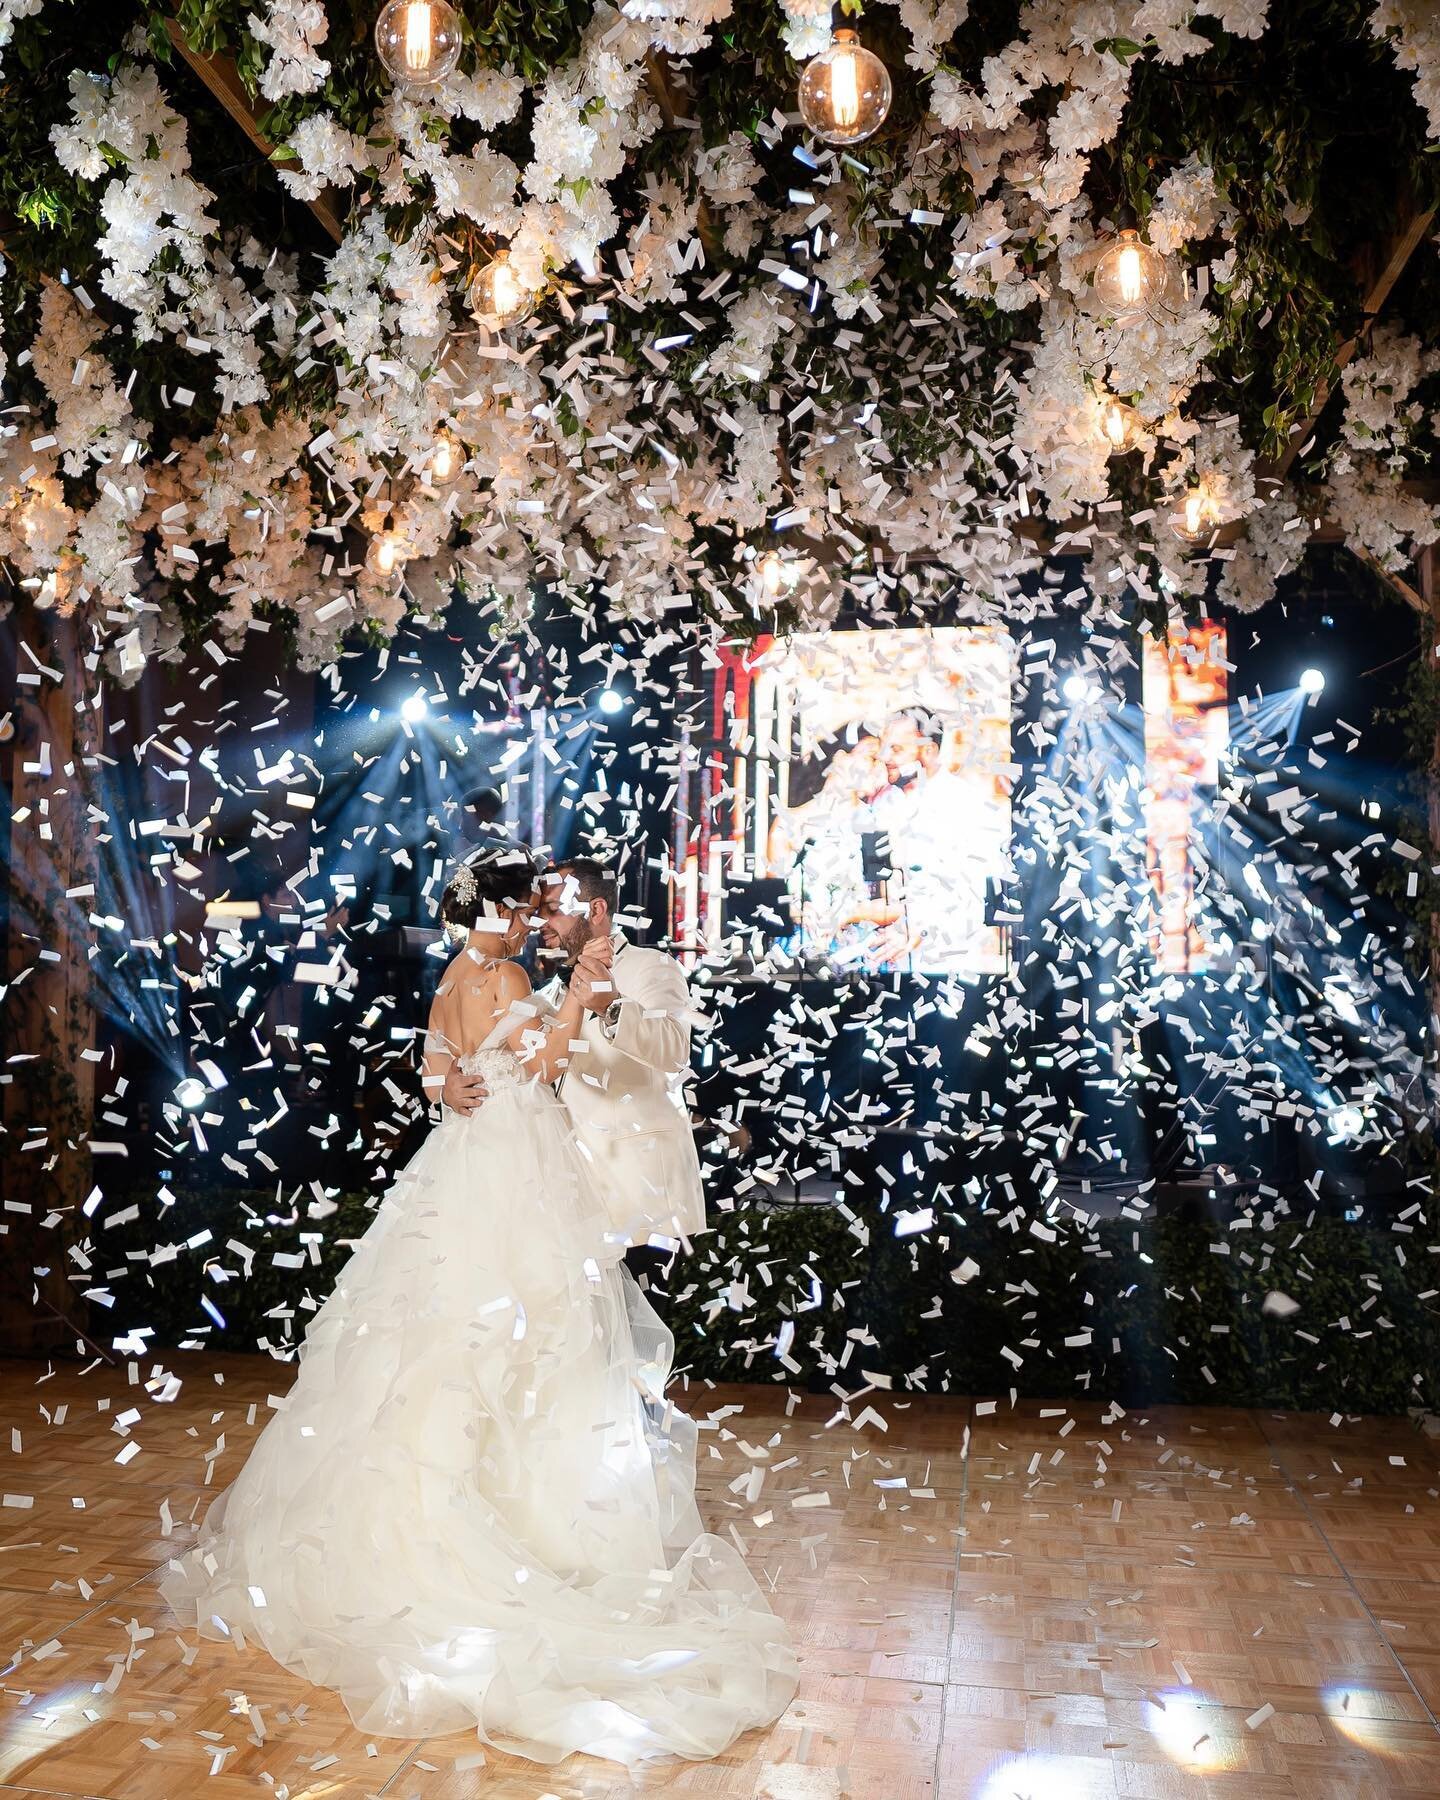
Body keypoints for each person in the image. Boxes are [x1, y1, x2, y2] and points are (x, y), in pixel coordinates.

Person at [158, 844, 797, 1766]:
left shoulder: (488, 973)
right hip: (516, 1175)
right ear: (499, 909)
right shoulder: (501, 977)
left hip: (517, 1173)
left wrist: (461, 1075)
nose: (540, 917)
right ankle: (537, 1529)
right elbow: (533, 1065)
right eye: (530, 905)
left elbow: (439, 1060)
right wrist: (563, 1008)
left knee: (489, 1339)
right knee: (520, 1339)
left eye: (552, 904)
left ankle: (549, 1506)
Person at [443, 856, 705, 1253]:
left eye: (551, 910)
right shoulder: (546, 994)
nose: (538, 922)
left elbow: (675, 1050)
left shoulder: (652, 967)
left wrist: (611, 1006)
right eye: (536, 911)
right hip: (572, 1205)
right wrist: (450, 1086)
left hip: (639, 1196)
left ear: (595, 909)